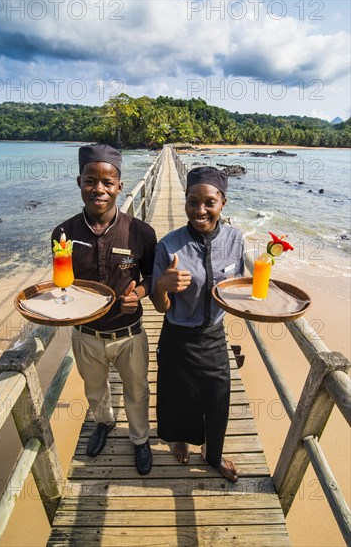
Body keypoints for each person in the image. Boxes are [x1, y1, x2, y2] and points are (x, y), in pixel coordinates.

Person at [52, 144, 157, 475]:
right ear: (79, 182)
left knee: (137, 390)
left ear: (119, 186)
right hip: (86, 335)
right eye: (90, 181)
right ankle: (104, 423)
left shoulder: (141, 232)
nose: (98, 189)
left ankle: (140, 440)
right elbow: (61, 279)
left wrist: (138, 293)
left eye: (107, 182)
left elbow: (153, 276)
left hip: (129, 333)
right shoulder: (63, 233)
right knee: (95, 389)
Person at [150, 166, 244, 482]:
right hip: (177, 335)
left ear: (223, 203)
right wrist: (162, 285)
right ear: (185, 202)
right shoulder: (169, 245)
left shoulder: (235, 240)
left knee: (218, 397)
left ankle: (214, 454)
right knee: (179, 396)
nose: (199, 211)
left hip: (215, 335)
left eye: (209, 203)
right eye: (192, 202)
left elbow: (238, 288)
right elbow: (160, 306)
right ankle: (180, 439)